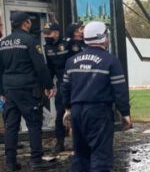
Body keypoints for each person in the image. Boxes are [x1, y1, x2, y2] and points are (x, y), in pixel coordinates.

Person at [62, 21, 132, 171]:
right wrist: (125, 113)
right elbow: (119, 90)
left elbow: (65, 88)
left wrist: (67, 109)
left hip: (76, 112)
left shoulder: (71, 61)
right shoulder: (111, 61)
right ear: (103, 38)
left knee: (80, 154)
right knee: (101, 155)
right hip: (99, 112)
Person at [0, 12, 58, 170]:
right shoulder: (30, 41)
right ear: (25, 23)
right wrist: (48, 86)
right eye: (29, 21)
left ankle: (11, 162)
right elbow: (40, 66)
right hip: (27, 89)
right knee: (33, 124)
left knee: (11, 126)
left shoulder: (3, 43)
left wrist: (2, 91)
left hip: (10, 89)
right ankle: (36, 160)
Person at [42, 22, 73, 153]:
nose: (45, 35)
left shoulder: (68, 43)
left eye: (48, 33)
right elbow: (50, 68)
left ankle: (81, 142)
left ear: (57, 33)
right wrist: (48, 85)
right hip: (61, 83)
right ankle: (60, 142)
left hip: (75, 81)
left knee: (78, 111)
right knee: (60, 113)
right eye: (44, 33)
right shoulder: (47, 47)